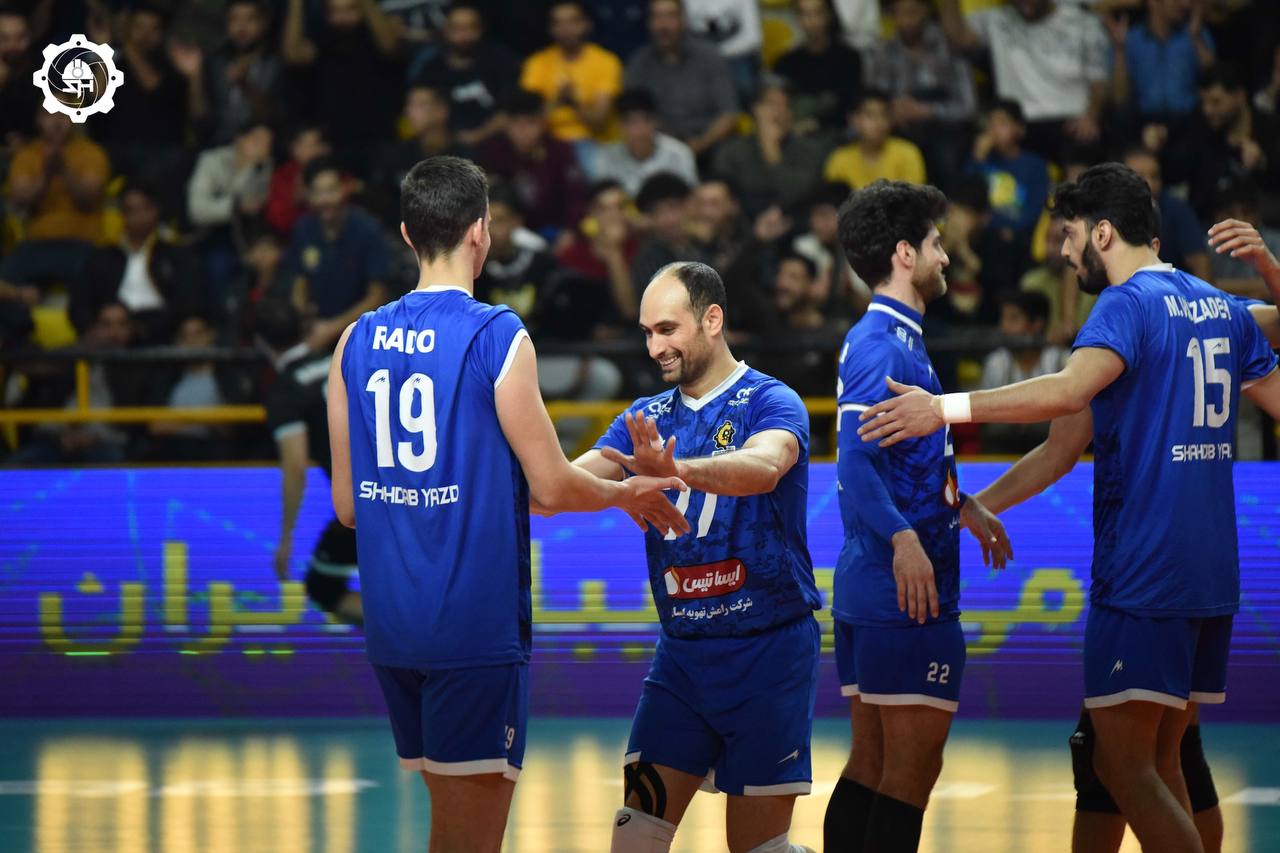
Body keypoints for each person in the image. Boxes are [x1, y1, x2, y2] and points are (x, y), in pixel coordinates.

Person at [856, 164, 1280, 853]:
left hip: (1144, 571)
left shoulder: (1123, 306)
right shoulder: (1216, 306)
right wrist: (974, 505)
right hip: (1212, 575)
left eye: (1070, 234)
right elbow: (1059, 450)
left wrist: (942, 408)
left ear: (1103, 233)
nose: (1063, 251)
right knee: (1163, 759)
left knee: (1123, 765)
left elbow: (1066, 390)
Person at [326, 155, 690, 853]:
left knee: (449, 825)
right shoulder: (496, 334)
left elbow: (347, 504)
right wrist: (624, 493)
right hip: (471, 626)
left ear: (406, 234)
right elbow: (551, 487)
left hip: (394, 628)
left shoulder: (354, 340)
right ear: (481, 232)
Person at [566, 261, 821, 853]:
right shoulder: (644, 419)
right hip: (682, 658)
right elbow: (563, 486)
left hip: (768, 653)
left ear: (712, 319)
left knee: (757, 849)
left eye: (667, 329)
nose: (654, 347)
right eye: (647, 333)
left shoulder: (770, 400)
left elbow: (764, 467)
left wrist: (675, 470)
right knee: (634, 840)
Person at [822, 180, 1010, 853]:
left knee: (874, 764)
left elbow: (908, 457)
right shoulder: (884, 343)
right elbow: (855, 463)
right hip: (903, 593)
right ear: (904, 253)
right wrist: (905, 539)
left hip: (879, 586)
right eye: (935, 244)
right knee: (908, 772)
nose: (946, 257)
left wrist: (963, 503)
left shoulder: (894, 337)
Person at [253, 298, 365, 626]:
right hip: (412, 485)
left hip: (366, 502)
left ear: (260, 343)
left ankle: (419, 637)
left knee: (323, 589)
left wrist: (286, 537)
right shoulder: (342, 360)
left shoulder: (285, 392)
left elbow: (295, 468)